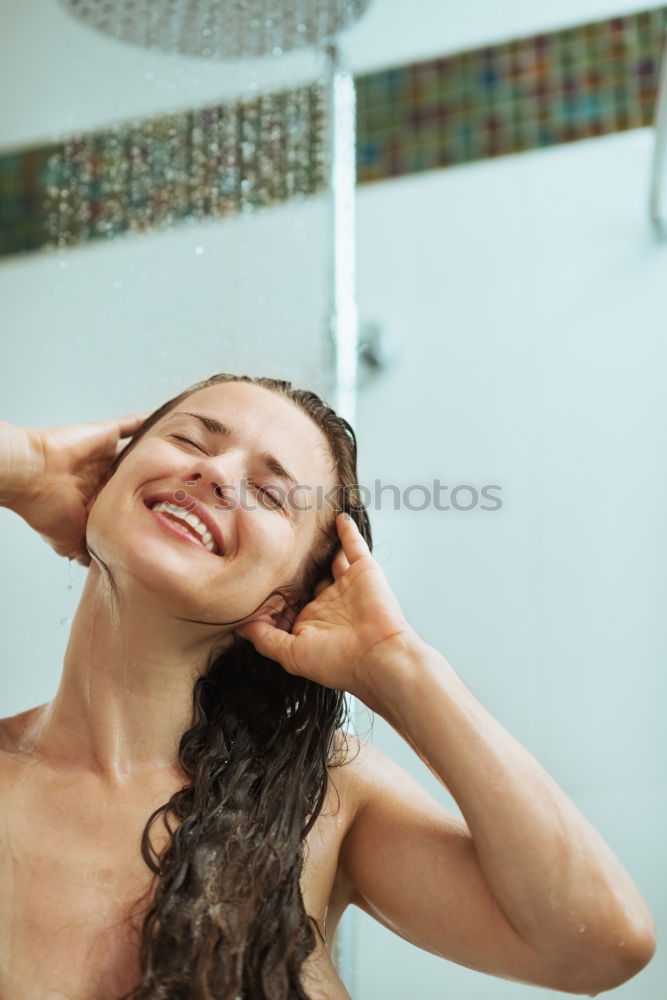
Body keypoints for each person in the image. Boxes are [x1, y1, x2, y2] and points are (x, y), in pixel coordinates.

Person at [0, 372, 656, 1000]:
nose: (216, 473)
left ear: (286, 602)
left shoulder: (322, 799)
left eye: (270, 493)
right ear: (104, 482)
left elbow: (594, 944)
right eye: (190, 441)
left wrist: (398, 666)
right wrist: (22, 463)